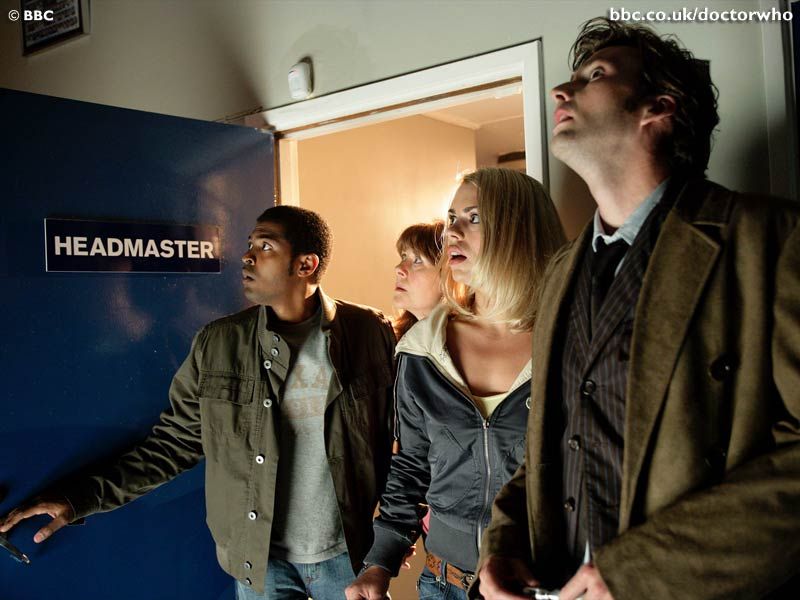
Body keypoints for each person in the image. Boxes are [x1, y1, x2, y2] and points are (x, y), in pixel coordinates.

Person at [475, 18, 800, 600]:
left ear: (659, 108)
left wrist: (638, 573)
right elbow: (549, 443)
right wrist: (503, 544)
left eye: (594, 76)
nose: (560, 90)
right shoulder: (560, 271)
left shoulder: (770, 239)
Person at [0, 205, 397, 600]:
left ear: (305, 264)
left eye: (265, 246)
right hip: (261, 563)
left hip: (348, 555)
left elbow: (402, 440)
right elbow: (174, 445)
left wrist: (395, 538)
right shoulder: (219, 343)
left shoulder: (368, 331)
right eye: (250, 244)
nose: (247, 256)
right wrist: (79, 498)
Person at [346, 167, 567, 600]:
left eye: (474, 217)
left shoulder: (572, 343)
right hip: (443, 582)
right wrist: (379, 563)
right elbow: (411, 465)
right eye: (451, 218)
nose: (452, 232)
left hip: (541, 584)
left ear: (519, 229)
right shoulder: (422, 350)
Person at [392, 220, 445, 339]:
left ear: (447, 279)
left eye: (417, 260)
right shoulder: (391, 340)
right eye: (404, 256)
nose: (398, 268)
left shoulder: (465, 345)